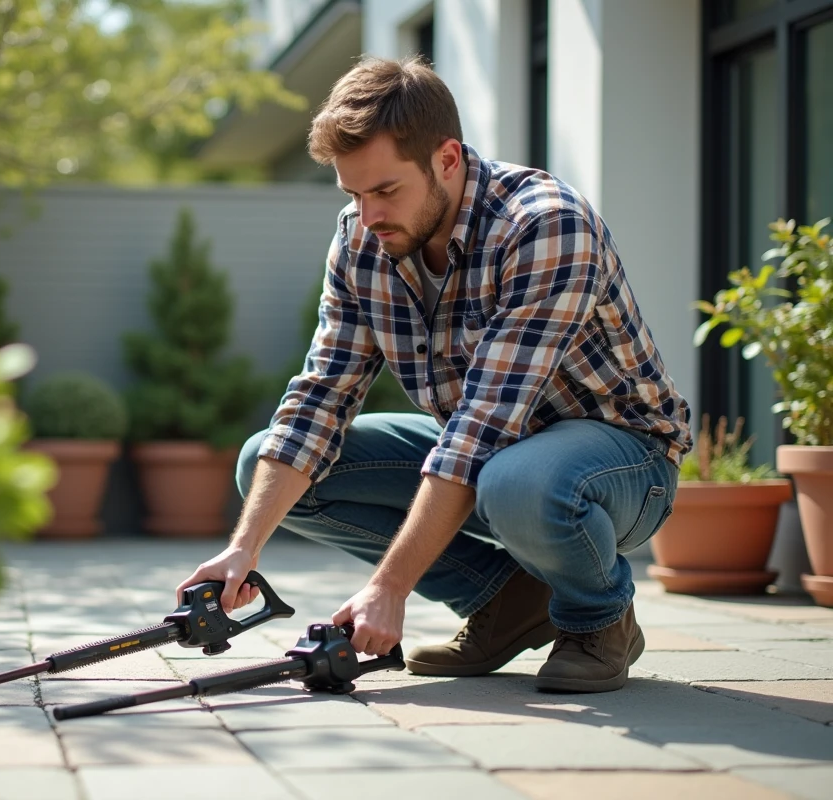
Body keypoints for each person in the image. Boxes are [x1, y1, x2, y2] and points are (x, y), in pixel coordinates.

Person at [176, 56, 692, 694]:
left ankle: (598, 618)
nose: (367, 216)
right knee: (268, 463)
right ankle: (506, 601)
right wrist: (244, 547)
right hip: (493, 454)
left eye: (386, 190)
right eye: (353, 194)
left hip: (623, 463)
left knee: (515, 479)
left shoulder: (544, 225)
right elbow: (320, 399)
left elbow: (482, 428)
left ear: (447, 159)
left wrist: (388, 589)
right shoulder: (364, 240)